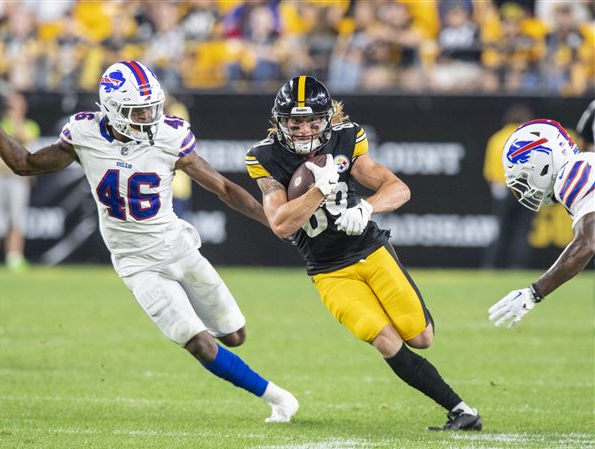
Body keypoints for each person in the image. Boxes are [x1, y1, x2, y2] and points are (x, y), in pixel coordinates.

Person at [0, 60, 298, 423]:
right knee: (199, 342)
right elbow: (25, 164)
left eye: (152, 107)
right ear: (111, 108)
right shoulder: (84, 134)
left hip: (177, 247)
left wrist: (272, 221)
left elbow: (224, 188)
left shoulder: (170, 136)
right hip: (135, 262)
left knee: (234, 336)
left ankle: (256, 375)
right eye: (138, 110)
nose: (148, 116)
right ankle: (277, 398)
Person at [245, 76, 481, 431]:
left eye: (313, 121)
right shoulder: (264, 157)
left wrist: (368, 208)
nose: (305, 130)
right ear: (281, 123)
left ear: (327, 120)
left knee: (421, 338)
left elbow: (398, 188)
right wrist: (318, 191)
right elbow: (280, 224)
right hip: (329, 270)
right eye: (296, 123)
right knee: (385, 339)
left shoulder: (346, 138)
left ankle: (457, 403)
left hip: (370, 249)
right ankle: (462, 411)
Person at [488, 119, 595, 328]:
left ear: (545, 161)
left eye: (525, 175)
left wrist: (534, 292)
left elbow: (587, 243)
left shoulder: (575, 174)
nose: (525, 186)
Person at [481, 103, 535, 268]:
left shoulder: (496, 138)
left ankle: (490, 266)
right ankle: (517, 268)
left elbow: (489, 171)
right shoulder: (530, 139)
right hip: (526, 188)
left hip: (503, 189)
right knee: (522, 231)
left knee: (500, 230)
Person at [0, 92, 40, 270]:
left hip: (18, 180)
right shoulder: (0, 124)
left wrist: (16, 119)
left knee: (17, 219)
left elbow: (24, 142)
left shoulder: (30, 125)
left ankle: (14, 257)